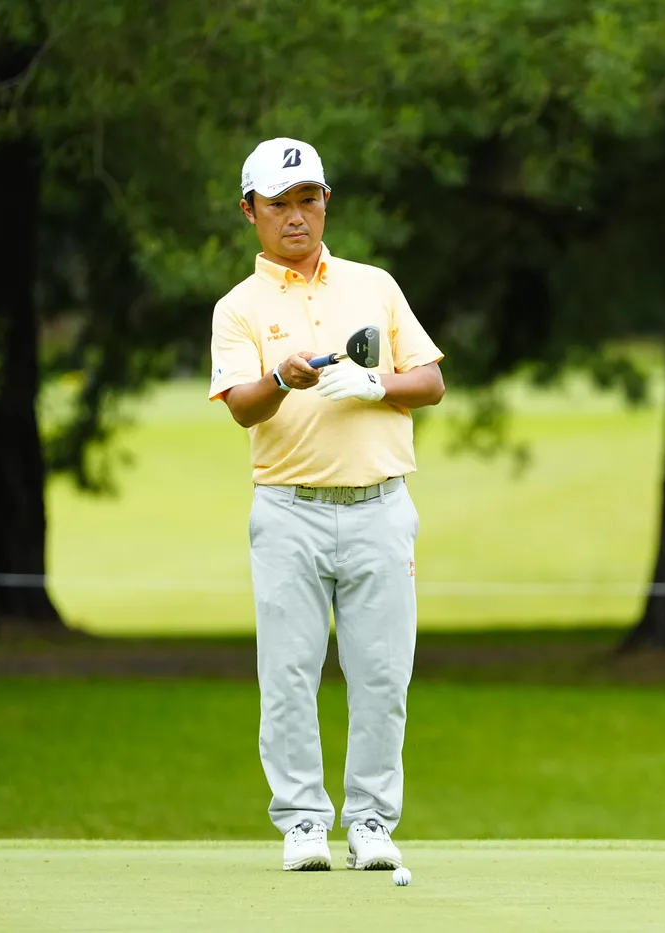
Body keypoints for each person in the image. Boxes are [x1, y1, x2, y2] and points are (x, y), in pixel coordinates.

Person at [207, 136, 445, 872]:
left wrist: (376, 385)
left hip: (380, 505)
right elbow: (242, 408)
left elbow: (430, 381)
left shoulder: (374, 285)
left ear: (325, 202)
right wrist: (281, 379)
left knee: (382, 676)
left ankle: (370, 822)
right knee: (288, 675)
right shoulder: (238, 307)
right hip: (289, 510)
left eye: (308, 199)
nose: (296, 216)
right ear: (249, 211)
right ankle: (304, 823)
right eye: (278, 204)